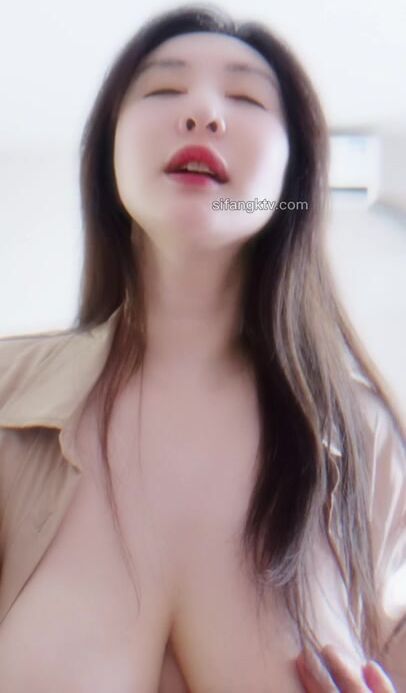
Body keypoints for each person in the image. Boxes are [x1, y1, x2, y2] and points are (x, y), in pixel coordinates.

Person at [0, 4, 404, 692]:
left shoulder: (368, 442)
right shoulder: (7, 399)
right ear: (108, 154)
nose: (204, 114)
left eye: (247, 99)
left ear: (294, 179)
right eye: (163, 89)